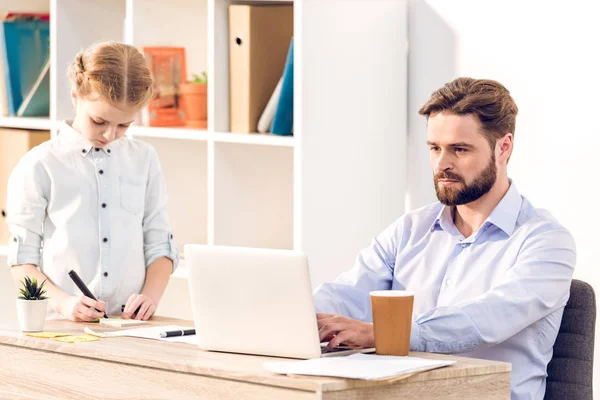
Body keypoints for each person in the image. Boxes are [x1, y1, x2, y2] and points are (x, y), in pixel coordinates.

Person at [314, 77, 575, 400]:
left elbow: (487, 318)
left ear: (503, 147)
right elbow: (348, 293)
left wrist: (383, 334)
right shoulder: (410, 230)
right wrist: (299, 317)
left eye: (459, 149)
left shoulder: (546, 241)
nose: (442, 164)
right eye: (435, 148)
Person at [6, 42, 178, 322]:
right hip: (62, 326)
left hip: (130, 326)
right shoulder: (40, 165)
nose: (110, 134)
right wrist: (64, 303)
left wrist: (150, 297)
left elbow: (160, 244)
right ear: (76, 97)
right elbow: (21, 262)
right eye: (99, 121)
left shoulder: (144, 159)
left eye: (124, 125)